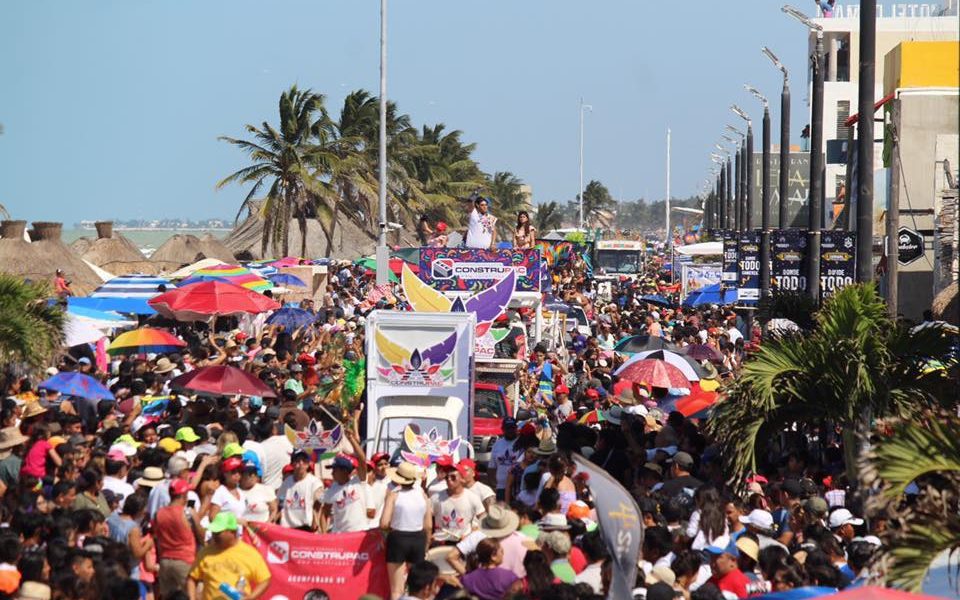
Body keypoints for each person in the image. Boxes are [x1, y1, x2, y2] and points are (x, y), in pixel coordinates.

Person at [187, 512, 271, 600]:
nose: (214, 535)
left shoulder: (249, 553)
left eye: (218, 532)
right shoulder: (206, 553)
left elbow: (265, 580)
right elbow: (192, 578)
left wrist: (251, 597)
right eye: (213, 532)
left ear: (232, 532)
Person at [380, 462, 431, 600]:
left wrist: (392, 526)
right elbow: (428, 526)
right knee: (417, 587)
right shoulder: (423, 495)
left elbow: (384, 523)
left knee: (396, 590)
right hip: (418, 538)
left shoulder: (394, 495)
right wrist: (426, 545)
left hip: (398, 537)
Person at [154, 479, 201, 599]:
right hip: (185, 560)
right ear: (184, 496)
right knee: (192, 595)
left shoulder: (159, 513)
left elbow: (157, 538)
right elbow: (202, 536)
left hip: (165, 560)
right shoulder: (188, 513)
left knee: (168, 597)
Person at [431, 462, 485, 543]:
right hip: (440, 542)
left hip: (463, 542)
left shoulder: (472, 498)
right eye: (447, 477)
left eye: (453, 477)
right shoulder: (436, 498)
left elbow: (485, 520)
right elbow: (426, 519)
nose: (449, 479)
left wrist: (471, 534)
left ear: (462, 479)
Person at [278, 450, 324, 531]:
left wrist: (315, 519)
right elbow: (280, 502)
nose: (301, 463)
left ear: (308, 464)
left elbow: (319, 504)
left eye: (304, 461)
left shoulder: (315, 482)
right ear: (292, 464)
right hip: (288, 528)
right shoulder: (286, 483)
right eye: (297, 461)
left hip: (306, 527)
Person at [488, 417, 520, 501]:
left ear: (516, 428)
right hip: (501, 487)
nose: (510, 430)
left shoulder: (521, 443)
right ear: (503, 429)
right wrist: (494, 485)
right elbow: (492, 467)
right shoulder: (497, 444)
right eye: (507, 428)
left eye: (512, 428)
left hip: (517, 487)